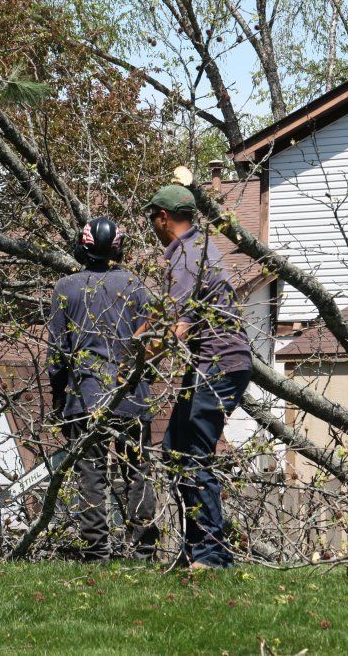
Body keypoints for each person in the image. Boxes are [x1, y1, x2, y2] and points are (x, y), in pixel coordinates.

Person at [142, 183, 252, 570]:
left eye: (153, 220)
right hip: (212, 364)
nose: (153, 228)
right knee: (174, 446)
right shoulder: (199, 248)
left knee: (193, 457)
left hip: (219, 364)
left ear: (163, 218)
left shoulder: (188, 256)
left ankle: (211, 555)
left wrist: (138, 361)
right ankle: (197, 549)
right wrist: (138, 337)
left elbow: (177, 321)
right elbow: (170, 311)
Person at [47, 217, 158, 561]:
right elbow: (151, 346)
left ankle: (96, 552)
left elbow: (57, 353)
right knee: (137, 472)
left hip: (85, 395)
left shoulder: (66, 288)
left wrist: (58, 398)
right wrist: (145, 385)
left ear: (83, 247)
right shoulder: (136, 287)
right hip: (131, 394)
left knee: (91, 475)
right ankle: (143, 550)